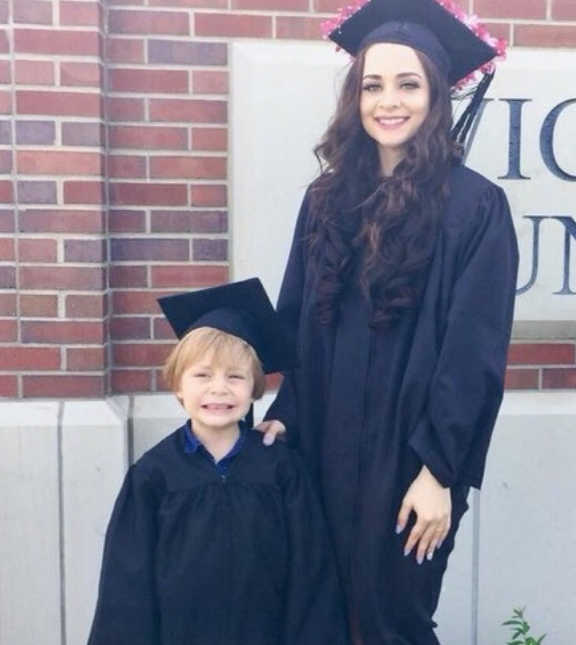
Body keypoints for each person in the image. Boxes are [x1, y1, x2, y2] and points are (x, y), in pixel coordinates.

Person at [258, 0, 519, 642]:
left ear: (436, 95)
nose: (388, 101)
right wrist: (284, 413)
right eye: (373, 85)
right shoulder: (325, 200)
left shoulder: (476, 207)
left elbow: (473, 357)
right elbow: (299, 320)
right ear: (356, 96)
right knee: (314, 614)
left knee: (391, 621)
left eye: (408, 84)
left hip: (409, 458)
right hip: (320, 445)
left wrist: (439, 473)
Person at [87, 278, 348, 645]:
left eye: (235, 377)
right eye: (203, 375)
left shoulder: (282, 471)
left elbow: (311, 582)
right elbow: (126, 592)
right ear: (179, 386)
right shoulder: (153, 476)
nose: (219, 389)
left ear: (255, 388)